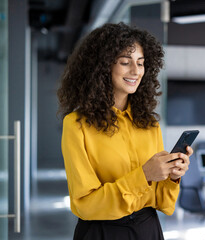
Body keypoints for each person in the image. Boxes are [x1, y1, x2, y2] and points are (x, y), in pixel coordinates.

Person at [57, 22, 193, 240]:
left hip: (148, 229)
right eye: (125, 62)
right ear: (102, 66)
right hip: (102, 232)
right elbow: (85, 205)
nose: (135, 71)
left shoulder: (149, 124)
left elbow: (162, 204)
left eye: (141, 63)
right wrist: (144, 175)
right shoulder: (76, 125)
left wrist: (172, 175)